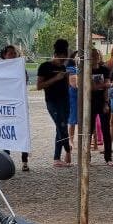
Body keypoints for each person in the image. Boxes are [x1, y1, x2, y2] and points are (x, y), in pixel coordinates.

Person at [37, 39, 73, 168]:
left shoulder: (63, 67)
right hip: (52, 101)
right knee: (61, 127)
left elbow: (66, 85)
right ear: (57, 54)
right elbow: (39, 86)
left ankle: (57, 158)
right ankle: (68, 151)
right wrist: (55, 78)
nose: (63, 61)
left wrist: (67, 78)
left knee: (60, 127)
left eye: (65, 59)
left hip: (65, 101)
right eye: (62, 58)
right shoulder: (44, 66)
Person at [86, 48, 113, 167]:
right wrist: (103, 85)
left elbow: (107, 87)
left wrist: (106, 103)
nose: (96, 57)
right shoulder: (87, 70)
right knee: (88, 131)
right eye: (93, 55)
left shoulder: (104, 69)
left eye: (97, 55)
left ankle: (108, 157)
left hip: (102, 101)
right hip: (89, 103)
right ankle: (87, 157)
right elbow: (87, 88)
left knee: (106, 130)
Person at [66, 50, 80, 150]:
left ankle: (72, 140)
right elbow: (75, 84)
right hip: (74, 96)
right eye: (77, 57)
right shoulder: (71, 69)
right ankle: (70, 140)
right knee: (73, 119)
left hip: (76, 96)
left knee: (75, 119)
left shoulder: (76, 69)